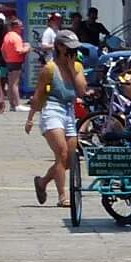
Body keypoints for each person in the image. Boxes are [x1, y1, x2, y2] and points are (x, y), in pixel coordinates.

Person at [25, 35, 85, 210]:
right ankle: (62, 196)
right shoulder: (49, 68)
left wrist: (71, 69)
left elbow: (81, 91)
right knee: (62, 153)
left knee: (70, 159)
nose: (72, 52)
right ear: (59, 46)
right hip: (52, 109)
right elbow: (38, 95)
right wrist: (30, 118)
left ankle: (42, 182)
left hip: (69, 110)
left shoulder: (77, 67)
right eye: (69, 48)